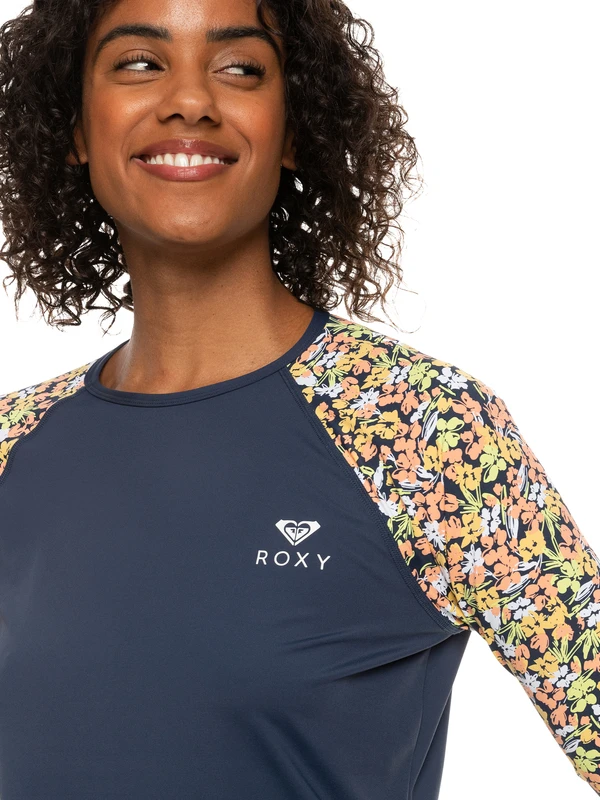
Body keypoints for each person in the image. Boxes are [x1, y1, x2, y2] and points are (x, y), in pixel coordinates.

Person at [0, 0, 598, 797]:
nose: (190, 99)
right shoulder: (13, 441)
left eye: (240, 68)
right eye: (140, 63)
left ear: (291, 131)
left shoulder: (420, 428)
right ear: (75, 127)